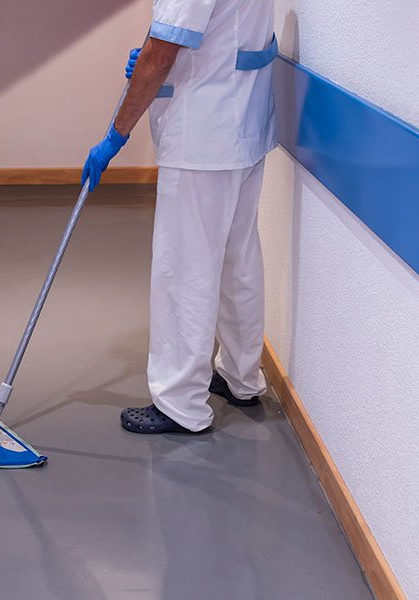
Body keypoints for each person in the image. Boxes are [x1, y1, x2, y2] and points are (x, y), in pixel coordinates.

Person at [82, 0, 278, 434]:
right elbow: (236, 33)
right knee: (237, 261)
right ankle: (241, 378)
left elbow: (162, 50)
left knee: (185, 270)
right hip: (244, 124)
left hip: (202, 136)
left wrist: (116, 134)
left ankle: (179, 403)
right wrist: (161, 56)